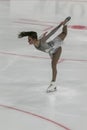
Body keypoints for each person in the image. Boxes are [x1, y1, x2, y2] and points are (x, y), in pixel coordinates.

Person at [18, 16, 71, 92]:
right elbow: (39, 39)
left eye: (29, 40)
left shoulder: (41, 41)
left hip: (56, 48)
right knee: (64, 33)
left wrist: (60, 25)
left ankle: (53, 84)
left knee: (53, 65)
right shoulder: (36, 42)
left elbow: (52, 32)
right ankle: (66, 24)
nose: (28, 41)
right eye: (28, 39)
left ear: (34, 39)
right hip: (51, 50)